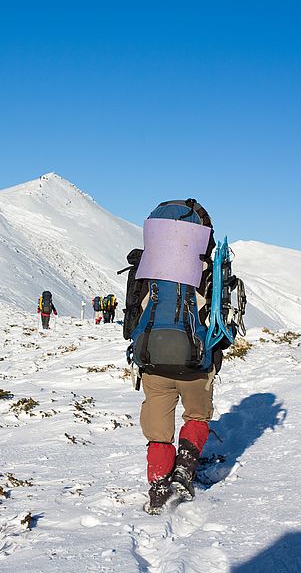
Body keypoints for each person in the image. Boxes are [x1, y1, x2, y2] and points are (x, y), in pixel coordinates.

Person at [119, 199, 241, 515]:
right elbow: (223, 319)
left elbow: (131, 318)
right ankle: (185, 469)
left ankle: (159, 484)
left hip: (152, 358)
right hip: (196, 361)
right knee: (197, 415)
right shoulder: (209, 268)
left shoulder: (145, 267)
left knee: (158, 427)